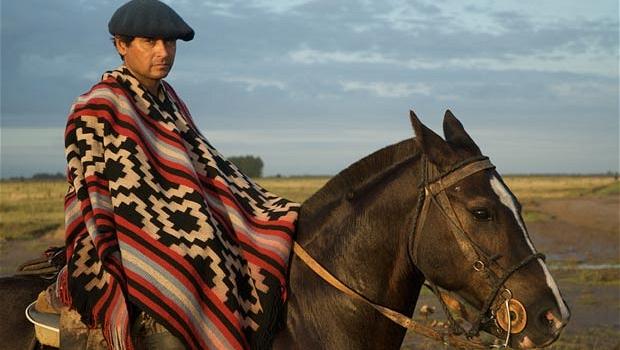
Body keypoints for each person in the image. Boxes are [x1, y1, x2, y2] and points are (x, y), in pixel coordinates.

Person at [56, 0, 300, 349]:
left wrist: (263, 208)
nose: (163, 52)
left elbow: (206, 168)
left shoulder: (170, 101)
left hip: (174, 227)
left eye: (169, 43)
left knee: (237, 251)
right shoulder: (97, 105)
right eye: (150, 42)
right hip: (120, 237)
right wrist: (165, 237)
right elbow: (93, 192)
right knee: (191, 267)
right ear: (121, 46)